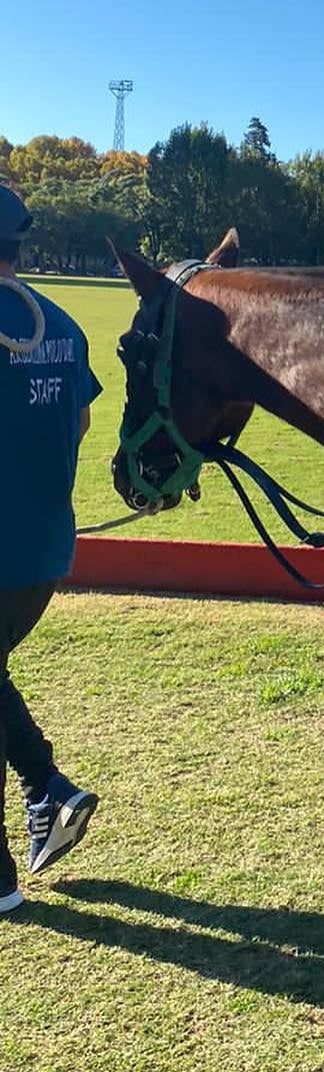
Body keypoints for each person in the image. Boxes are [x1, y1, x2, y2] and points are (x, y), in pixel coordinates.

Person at [0, 184, 102, 914]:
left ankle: (41, 802)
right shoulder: (61, 323)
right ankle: (45, 795)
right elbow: (84, 422)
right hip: (41, 556)